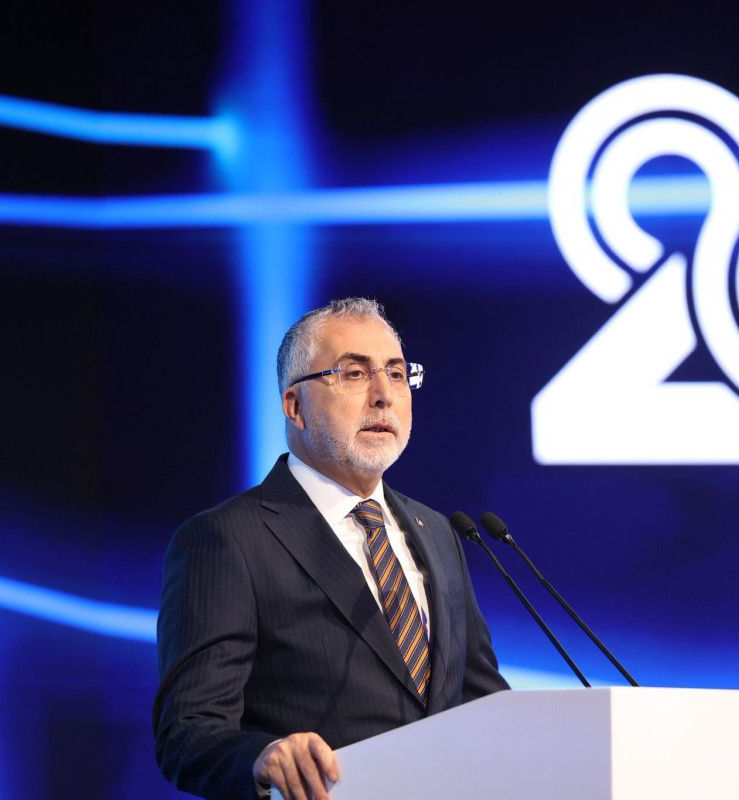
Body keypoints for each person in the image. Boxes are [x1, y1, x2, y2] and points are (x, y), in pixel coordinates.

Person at [153, 297, 509, 799]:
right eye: (354, 373)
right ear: (294, 406)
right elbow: (188, 731)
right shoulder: (228, 539)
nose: (383, 396)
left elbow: (485, 706)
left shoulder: (439, 532)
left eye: (397, 374)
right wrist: (263, 756)